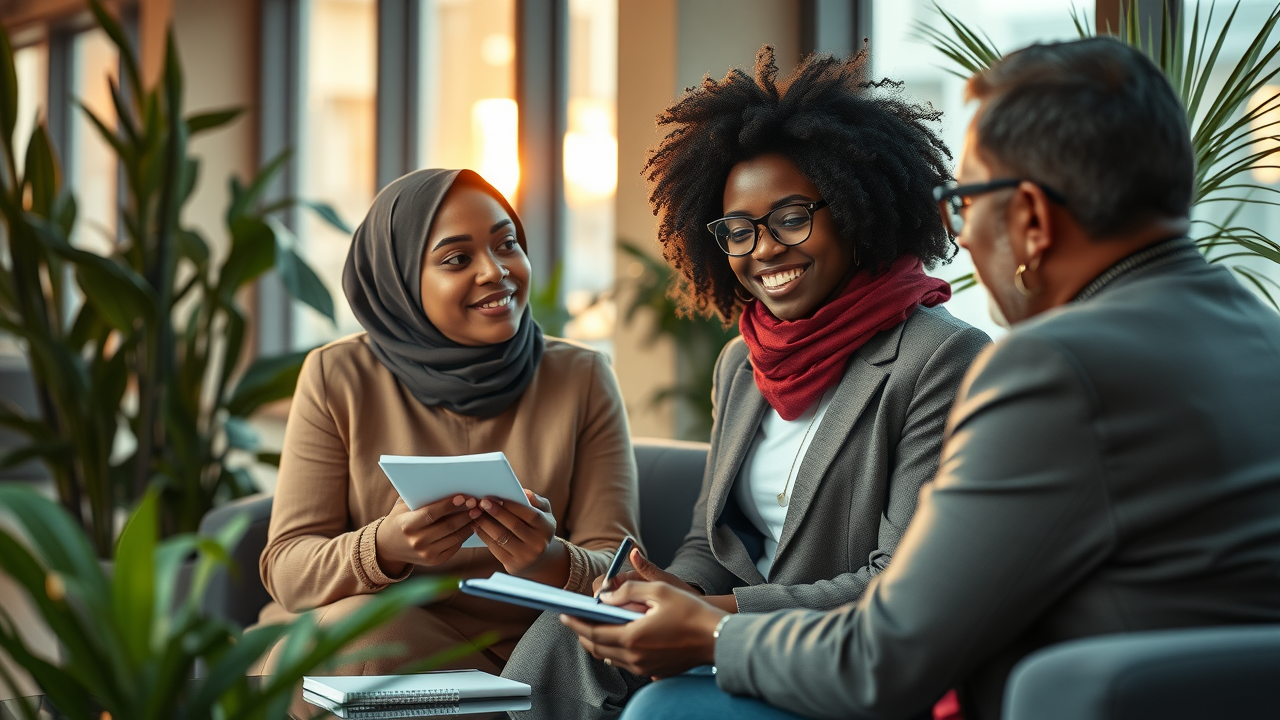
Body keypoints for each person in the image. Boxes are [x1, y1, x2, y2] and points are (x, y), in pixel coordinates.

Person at [564, 35, 1280, 720]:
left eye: (968, 202)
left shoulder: (1052, 367)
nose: (961, 235)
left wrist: (713, 634)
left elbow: (888, 651)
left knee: (676, 709)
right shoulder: (1258, 332)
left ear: (1029, 217)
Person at [502, 46, 989, 712]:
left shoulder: (939, 358)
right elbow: (715, 539)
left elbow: (897, 585)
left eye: (791, 218)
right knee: (562, 639)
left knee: (657, 710)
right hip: (724, 636)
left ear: (853, 208)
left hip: (833, 660)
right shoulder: (745, 362)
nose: (763, 249)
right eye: (738, 229)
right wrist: (663, 591)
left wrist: (712, 615)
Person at [252, 169, 641, 675]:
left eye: (507, 245)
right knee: (365, 638)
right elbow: (288, 568)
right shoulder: (338, 375)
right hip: (359, 641)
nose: (495, 271)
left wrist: (546, 559)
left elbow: (623, 569)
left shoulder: (580, 376)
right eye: (457, 259)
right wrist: (384, 548)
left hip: (521, 659)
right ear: (400, 281)